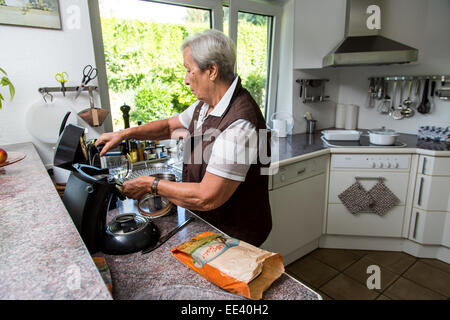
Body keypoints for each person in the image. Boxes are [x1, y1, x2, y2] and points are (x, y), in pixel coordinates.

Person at [95, 30, 272, 247]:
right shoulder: (207, 104)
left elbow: (208, 196)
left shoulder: (240, 125)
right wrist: (123, 134)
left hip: (237, 236)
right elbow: (170, 126)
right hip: (209, 226)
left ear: (212, 71)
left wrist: (150, 184)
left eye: (189, 70)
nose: (186, 80)